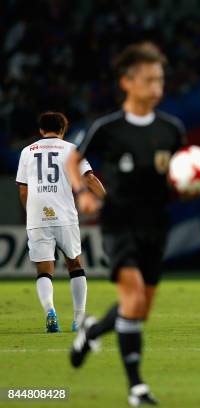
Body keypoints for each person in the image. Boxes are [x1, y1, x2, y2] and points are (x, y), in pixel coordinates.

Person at [66, 42, 188, 406]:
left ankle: (92, 330)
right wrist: (82, 192)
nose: (156, 87)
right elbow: (74, 160)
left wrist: (191, 187)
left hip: (156, 225)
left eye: (160, 80)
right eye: (149, 80)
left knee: (138, 309)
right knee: (132, 299)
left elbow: (180, 175)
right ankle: (137, 388)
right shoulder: (108, 128)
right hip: (119, 223)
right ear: (127, 82)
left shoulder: (172, 129)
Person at [15, 111, 105, 333]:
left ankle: (50, 312)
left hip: (37, 216)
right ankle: (79, 318)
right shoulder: (71, 150)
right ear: (63, 130)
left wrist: (31, 212)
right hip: (64, 214)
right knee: (75, 265)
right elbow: (89, 179)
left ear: (41, 130)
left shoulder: (27, 152)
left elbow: (23, 190)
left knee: (44, 270)